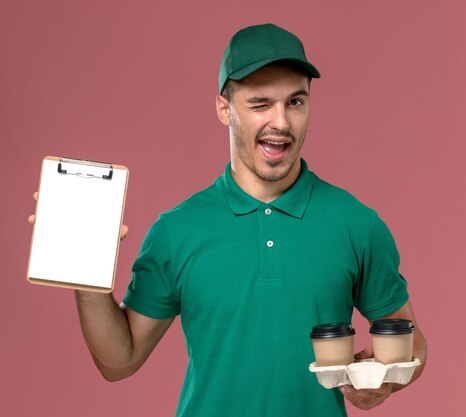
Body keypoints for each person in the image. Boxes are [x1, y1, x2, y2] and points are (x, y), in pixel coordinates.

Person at [29, 23, 426, 416]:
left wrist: (387, 380)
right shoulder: (176, 231)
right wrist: (85, 274)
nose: (282, 123)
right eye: (260, 103)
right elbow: (120, 361)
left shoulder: (356, 224)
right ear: (225, 109)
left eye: (295, 102)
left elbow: (413, 344)